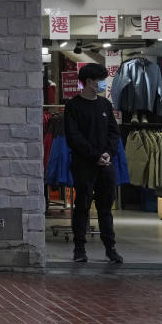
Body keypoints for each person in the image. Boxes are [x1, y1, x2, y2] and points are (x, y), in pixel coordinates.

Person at [64, 63, 123, 264]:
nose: (102, 83)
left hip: (106, 165)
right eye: (100, 79)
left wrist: (108, 154)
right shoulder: (73, 106)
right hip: (84, 164)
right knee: (82, 206)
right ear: (89, 81)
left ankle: (110, 249)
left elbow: (114, 133)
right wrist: (95, 155)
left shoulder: (105, 105)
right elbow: (73, 137)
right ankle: (79, 249)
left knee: (106, 208)